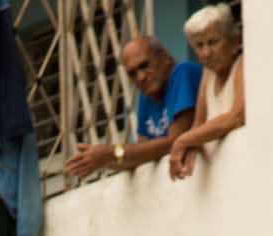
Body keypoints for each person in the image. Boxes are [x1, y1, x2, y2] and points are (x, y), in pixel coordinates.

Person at [65, 37, 202, 181]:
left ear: (165, 57)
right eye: (133, 74)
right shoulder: (148, 94)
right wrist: (101, 160)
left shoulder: (183, 72)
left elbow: (175, 142)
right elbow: (140, 155)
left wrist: (111, 153)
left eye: (144, 66)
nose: (141, 77)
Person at [169, 5, 246, 181]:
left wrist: (183, 140)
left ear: (235, 40)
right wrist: (191, 145)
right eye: (199, 45)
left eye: (213, 42)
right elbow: (198, 123)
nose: (206, 52)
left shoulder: (242, 65)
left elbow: (236, 117)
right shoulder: (208, 74)